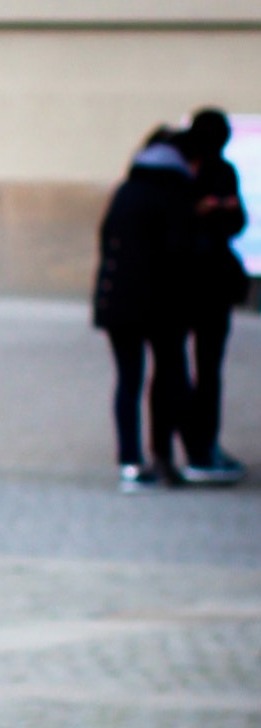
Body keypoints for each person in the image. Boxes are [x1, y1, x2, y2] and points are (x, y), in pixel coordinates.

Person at [93, 127, 199, 491]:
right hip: (160, 305)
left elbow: (106, 239)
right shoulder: (175, 194)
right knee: (167, 378)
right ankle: (163, 455)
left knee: (128, 380)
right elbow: (180, 252)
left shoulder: (127, 189)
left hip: (119, 303)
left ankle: (129, 462)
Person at [181, 108, 248, 484]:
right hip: (195, 280)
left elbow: (237, 220)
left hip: (204, 280)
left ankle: (200, 443)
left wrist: (219, 211)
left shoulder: (219, 171)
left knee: (204, 368)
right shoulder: (188, 173)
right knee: (201, 369)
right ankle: (197, 444)